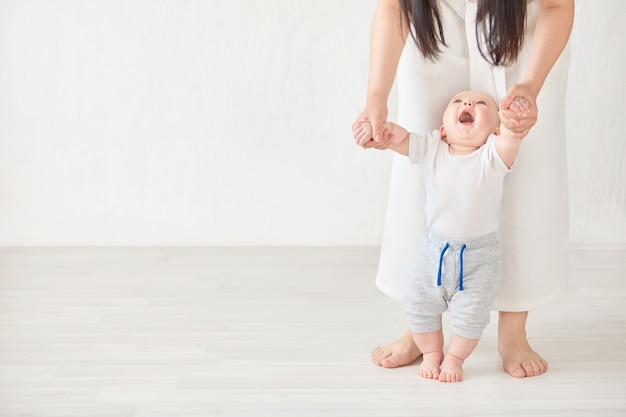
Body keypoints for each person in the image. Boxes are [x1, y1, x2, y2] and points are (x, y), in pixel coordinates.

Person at [354, 0, 574, 378]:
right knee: (421, 160)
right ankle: (420, 324)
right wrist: (376, 98)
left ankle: (514, 329)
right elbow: (394, 5)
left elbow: (557, 4)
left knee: (528, 168)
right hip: (434, 24)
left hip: (522, 32)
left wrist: (529, 86)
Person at [354, 90, 529, 382]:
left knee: (471, 315)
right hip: (434, 251)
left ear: (494, 130)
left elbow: (511, 140)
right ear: (444, 129)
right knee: (418, 304)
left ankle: (455, 358)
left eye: (482, 103)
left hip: (479, 258)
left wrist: (512, 126)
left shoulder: (492, 156)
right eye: (458, 102)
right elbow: (401, 139)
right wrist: (384, 132)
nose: (468, 104)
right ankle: (432, 353)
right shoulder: (433, 148)